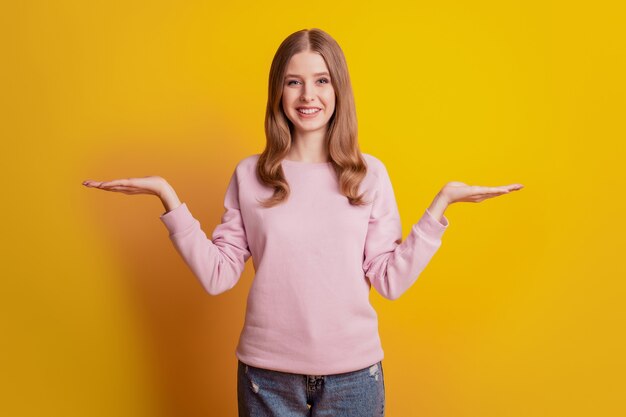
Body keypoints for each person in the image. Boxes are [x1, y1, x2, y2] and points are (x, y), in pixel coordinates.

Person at [83, 28, 523, 417]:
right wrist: (169, 197)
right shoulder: (250, 175)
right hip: (267, 379)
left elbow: (389, 280)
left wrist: (439, 208)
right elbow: (219, 276)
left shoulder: (369, 175)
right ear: (278, 91)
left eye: (321, 81)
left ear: (338, 90)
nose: (307, 95)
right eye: (294, 82)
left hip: (354, 380)